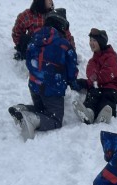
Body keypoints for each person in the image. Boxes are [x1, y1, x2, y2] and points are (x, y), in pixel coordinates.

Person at [8, 10, 80, 140]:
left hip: (34, 85)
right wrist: (73, 83)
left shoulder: (34, 38)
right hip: (52, 89)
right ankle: (32, 120)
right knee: (55, 119)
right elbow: (72, 70)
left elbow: (29, 61)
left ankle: (22, 109)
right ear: (61, 25)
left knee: (41, 109)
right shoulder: (64, 45)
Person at [73, 28, 117, 125]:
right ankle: (89, 113)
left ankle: (104, 116)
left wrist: (94, 78)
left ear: (101, 42)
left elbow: (107, 75)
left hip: (114, 88)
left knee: (107, 97)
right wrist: (82, 82)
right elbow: (91, 75)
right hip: (99, 87)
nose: (91, 43)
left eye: (94, 40)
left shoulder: (111, 57)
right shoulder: (92, 61)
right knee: (92, 95)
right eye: (90, 40)